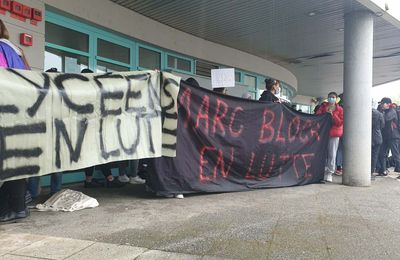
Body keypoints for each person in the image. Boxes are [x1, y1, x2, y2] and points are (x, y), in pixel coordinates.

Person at [0, 19, 30, 222]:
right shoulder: (17, 51)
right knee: (16, 161)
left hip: (4, 111)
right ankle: (19, 206)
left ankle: (4, 209)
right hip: (21, 113)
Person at [28, 68, 63, 199]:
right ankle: (52, 192)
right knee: (49, 165)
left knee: (44, 166)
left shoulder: (39, 92)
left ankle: (34, 193)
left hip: (50, 134)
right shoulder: (57, 94)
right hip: (45, 134)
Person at [316, 92, 344, 182]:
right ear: (327, 98)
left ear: (336, 99)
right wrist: (325, 113)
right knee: (323, 153)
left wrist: (333, 115)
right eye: (330, 97)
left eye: (333, 97)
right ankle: (321, 170)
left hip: (334, 134)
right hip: (324, 133)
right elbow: (317, 116)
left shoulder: (340, 109)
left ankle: (330, 173)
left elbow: (340, 123)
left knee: (332, 154)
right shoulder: (323, 107)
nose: (331, 99)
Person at [377, 98, 400, 176]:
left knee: (395, 154)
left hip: (393, 136)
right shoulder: (384, 111)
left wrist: (381, 113)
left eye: (382, 103)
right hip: (386, 136)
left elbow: (386, 119)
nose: (381, 105)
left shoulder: (392, 111)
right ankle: (383, 170)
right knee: (382, 154)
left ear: (388, 104)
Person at [372, 106, 385, 180]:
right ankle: (371, 172)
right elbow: (382, 125)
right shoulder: (379, 114)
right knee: (374, 156)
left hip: (366, 137)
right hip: (377, 136)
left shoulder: (364, 112)